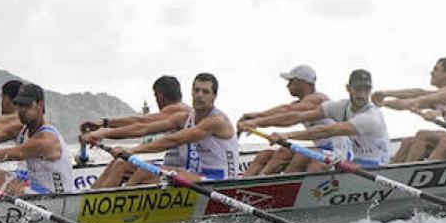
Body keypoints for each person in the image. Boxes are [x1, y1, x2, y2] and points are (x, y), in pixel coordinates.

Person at [91, 72, 239, 189]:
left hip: (219, 181)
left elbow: (174, 140)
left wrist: (133, 150)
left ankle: (117, 212)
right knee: (120, 163)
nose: (199, 95)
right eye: (196, 90)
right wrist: (103, 132)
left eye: (205, 92)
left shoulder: (217, 121)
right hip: (194, 174)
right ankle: (85, 203)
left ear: (214, 96)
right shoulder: (184, 117)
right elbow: (144, 128)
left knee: (146, 170)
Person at [256, 69, 392, 170]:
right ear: (348, 88)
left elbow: (326, 131)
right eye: (357, 89)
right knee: (294, 156)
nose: (361, 94)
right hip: (350, 156)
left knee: (317, 163)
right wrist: (255, 122)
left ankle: (299, 199)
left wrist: (286, 135)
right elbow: (298, 116)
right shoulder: (340, 106)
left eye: (366, 89)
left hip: (375, 163)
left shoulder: (371, 117)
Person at [376, 57, 446, 162]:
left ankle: (414, 172)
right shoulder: (438, 97)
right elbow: (415, 95)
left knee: (424, 135)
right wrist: (383, 98)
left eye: (436, 69)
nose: (431, 73)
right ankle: (393, 169)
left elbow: (417, 98)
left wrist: (383, 100)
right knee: (408, 141)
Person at [238, 65, 333, 175]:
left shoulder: (318, 99)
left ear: (302, 82)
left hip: (336, 150)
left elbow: (289, 115)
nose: (287, 85)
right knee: (266, 155)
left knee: (298, 155)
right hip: (321, 148)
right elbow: (282, 111)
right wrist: (255, 116)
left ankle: (279, 186)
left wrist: (255, 122)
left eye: (291, 81)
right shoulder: (300, 103)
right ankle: (247, 184)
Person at [78, 76, 191, 161]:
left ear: (160, 96)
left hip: (182, 171)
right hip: (174, 165)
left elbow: (141, 125)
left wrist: (104, 131)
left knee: (123, 167)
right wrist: (104, 123)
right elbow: (140, 122)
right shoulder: (179, 110)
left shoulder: (178, 111)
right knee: (120, 165)